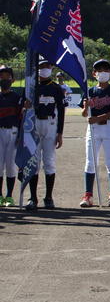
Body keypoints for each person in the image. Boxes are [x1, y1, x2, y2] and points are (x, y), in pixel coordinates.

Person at [80, 59, 110, 208]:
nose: (102, 72)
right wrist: (85, 107)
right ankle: (88, 195)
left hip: (108, 127)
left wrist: (96, 118)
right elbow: (84, 114)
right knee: (90, 162)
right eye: (99, 70)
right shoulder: (90, 91)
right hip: (93, 129)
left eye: (105, 69)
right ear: (94, 74)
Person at [25, 59, 65, 210]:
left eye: (48, 66)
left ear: (52, 68)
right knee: (33, 162)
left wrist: (60, 132)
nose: (45, 68)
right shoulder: (31, 86)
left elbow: (61, 111)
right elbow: (24, 107)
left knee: (49, 161)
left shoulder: (56, 88)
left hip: (50, 124)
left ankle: (48, 197)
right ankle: (32, 197)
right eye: (42, 66)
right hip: (34, 123)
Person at [0, 65, 22, 207]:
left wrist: (21, 135)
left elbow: (22, 118)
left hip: (13, 132)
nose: (4, 79)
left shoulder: (17, 98)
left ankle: (9, 196)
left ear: (12, 80)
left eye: (7, 76)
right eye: (2, 76)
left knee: (10, 166)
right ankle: (0, 196)